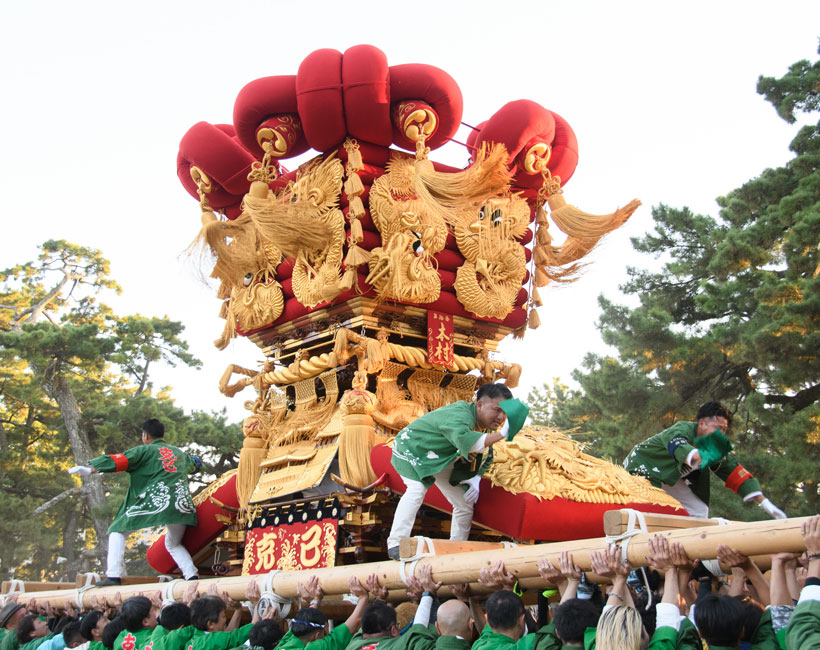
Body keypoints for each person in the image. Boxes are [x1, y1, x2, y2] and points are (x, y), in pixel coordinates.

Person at [386, 384, 528, 558]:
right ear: (479, 405)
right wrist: (501, 435)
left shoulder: (484, 425)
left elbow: (486, 452)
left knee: (464, 502)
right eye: (497, 410)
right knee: (416, 490)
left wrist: (476, 477)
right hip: (412, 449)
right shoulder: (460, 414)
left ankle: (456, 549)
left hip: (439, 458)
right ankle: (396, 543)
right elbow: (465, 439)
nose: (501, 417)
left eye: (505, 414)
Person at [68, 419, 202, 586]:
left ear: (145, 435)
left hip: (156, 502)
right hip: (181, 505)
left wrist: (91, 469)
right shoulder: (178, 453)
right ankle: (192, 576)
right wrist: (197, 463)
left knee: (117, 530)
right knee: (173, 543)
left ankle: (114, 575)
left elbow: (120, 460)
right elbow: (195, 464)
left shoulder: (144, 451)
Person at [623, 402, 785, 518]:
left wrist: (765, 503)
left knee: (699, 511)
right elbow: (678, 446)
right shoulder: (682, 429)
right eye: (718, 428)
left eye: (724, 430)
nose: (721, 434)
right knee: (646, 510)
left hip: (670, 477)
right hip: (643, 468)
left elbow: (734, 472)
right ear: (702, 423)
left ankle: (693, 554)